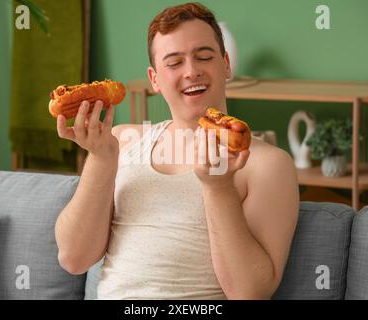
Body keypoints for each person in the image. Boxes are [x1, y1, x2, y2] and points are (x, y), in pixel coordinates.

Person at [54, 2, 299, 300]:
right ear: (155, 79)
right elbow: (73, 258)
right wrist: (101, 159)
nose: (191, 71)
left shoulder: (267, 164)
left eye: (204, 57)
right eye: (174, 63)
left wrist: (218, 188)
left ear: (226, 64)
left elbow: (251, 293)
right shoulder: (122, 142)